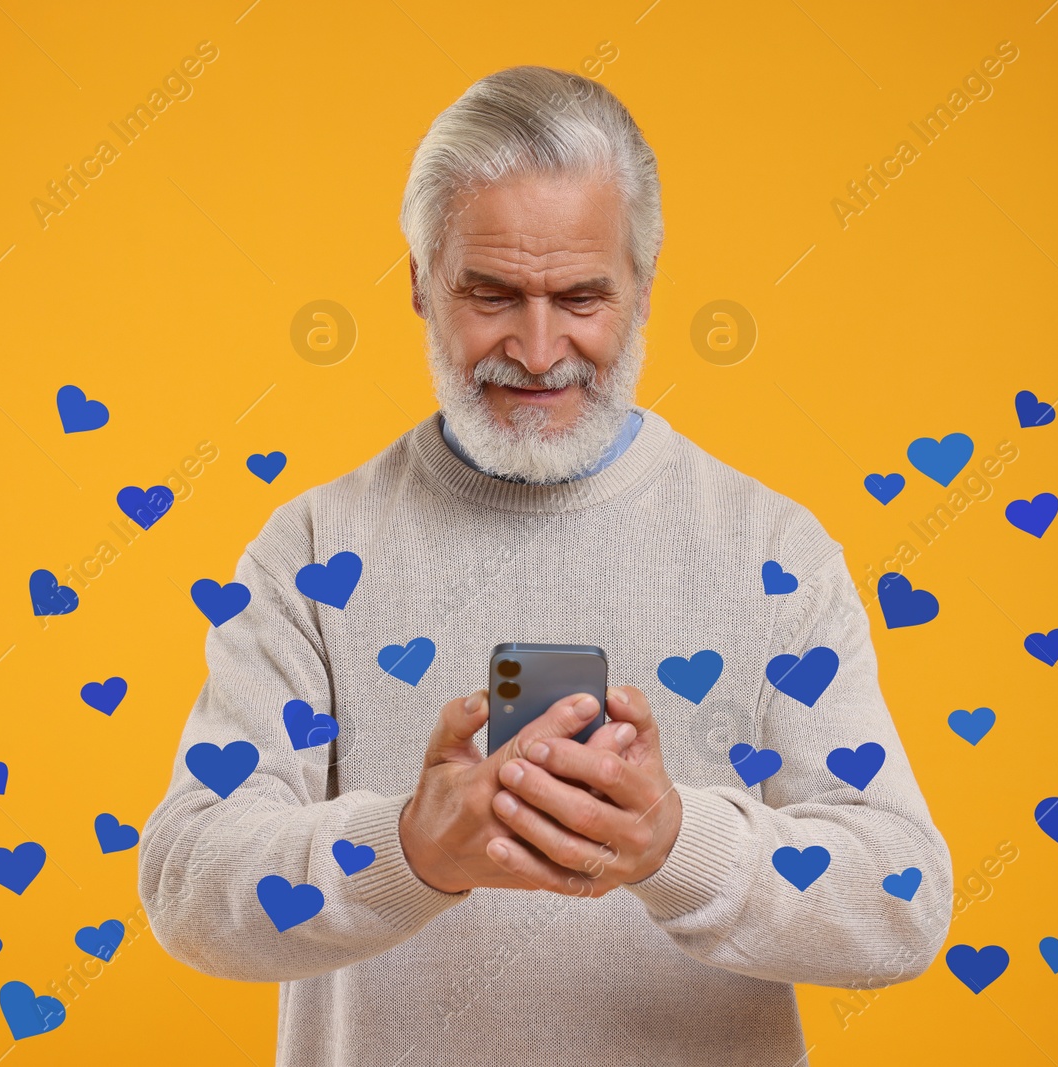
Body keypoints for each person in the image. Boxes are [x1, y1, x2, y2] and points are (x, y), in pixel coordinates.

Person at [139, 64, 952, 1067]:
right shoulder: (313, 552)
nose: (535, 347)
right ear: (417, 282)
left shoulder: (769, 551)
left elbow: (901, 900)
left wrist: (674, 843)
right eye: (490, 293)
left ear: (643, 288)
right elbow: (185, 880)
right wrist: (406, 848)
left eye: (579, 296)